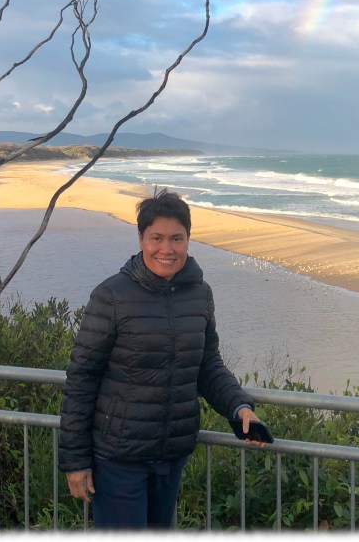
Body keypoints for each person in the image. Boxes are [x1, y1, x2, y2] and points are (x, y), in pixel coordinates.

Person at [58, 189, 268, 530]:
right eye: (156, 238)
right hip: (119, 459)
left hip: (171, 455)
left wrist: (239, 407)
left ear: (188, 240)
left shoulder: (200, 294)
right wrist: (75, 461)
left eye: (176, 238)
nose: (166, 249)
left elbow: (207, 365)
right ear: (141, 238)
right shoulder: (111, 296)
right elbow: (81, 380)